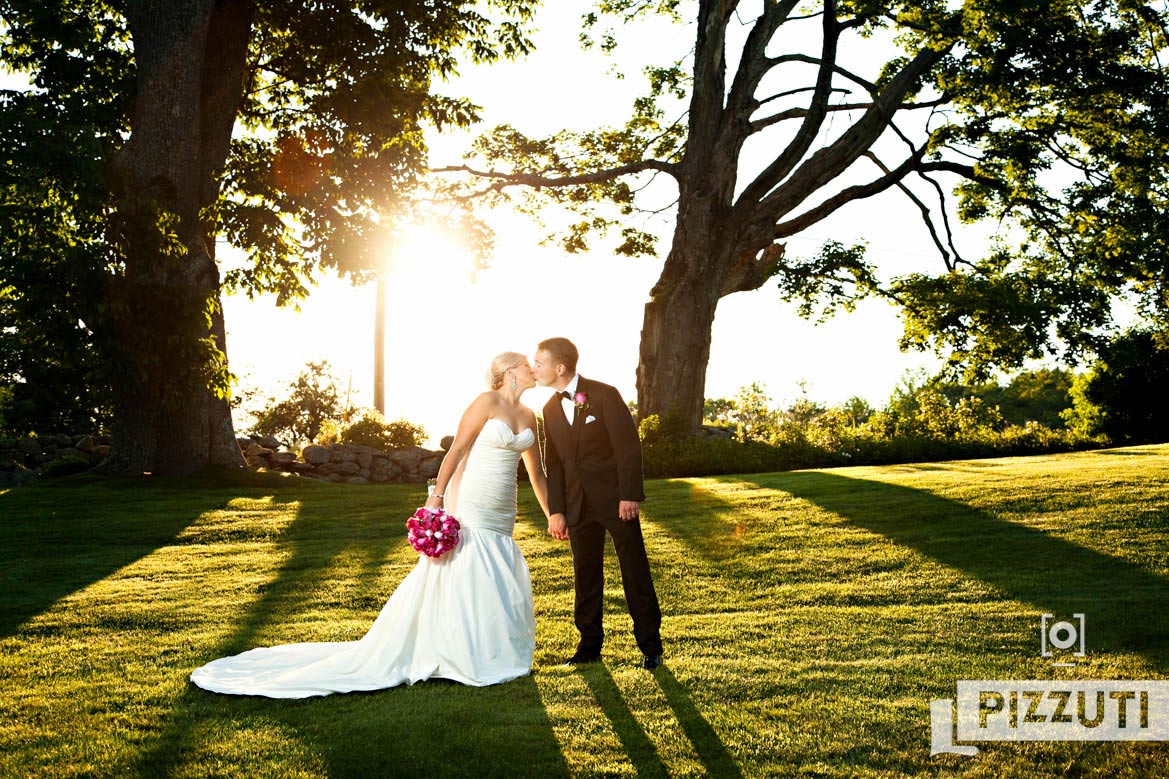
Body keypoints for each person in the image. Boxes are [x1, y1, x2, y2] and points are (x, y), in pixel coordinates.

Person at [190, 352, 550, 697]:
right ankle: (461, 651)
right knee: (471, 564)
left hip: (503, 505)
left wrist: (552, 515)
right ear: (510, 372)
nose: (533, 367)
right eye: (526, 363)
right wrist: (437, 496)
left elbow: (536, 472)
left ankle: (494, 648)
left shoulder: (530, 416)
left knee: (497, 563)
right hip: (474, 496)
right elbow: (455, 451)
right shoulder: (486, 402)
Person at [533, 337, 663, 670]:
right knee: (585, 576)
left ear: (559, 368)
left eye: (539, 362)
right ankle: (589, 647)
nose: (535, 368)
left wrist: (629, 495)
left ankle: (650, 647)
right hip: (577, 508)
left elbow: (628, 448)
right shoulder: (548, 409)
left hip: (616, 503)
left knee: (634, 572)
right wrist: (557, 510)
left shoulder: (604, 395)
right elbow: (555, 464)